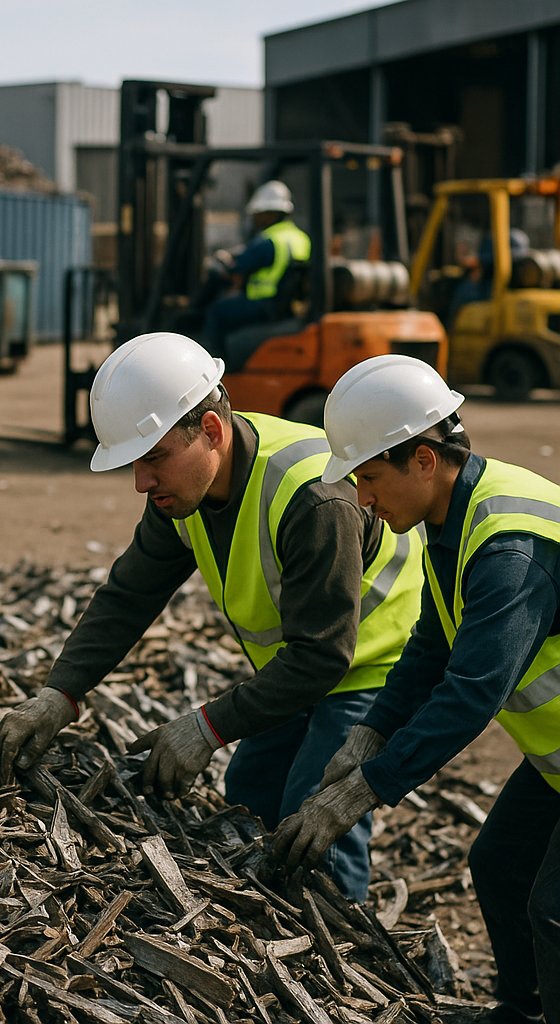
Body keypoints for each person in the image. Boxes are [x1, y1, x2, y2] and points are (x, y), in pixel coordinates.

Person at [0, 332, 422, 901]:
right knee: (251, 788)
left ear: (211, 431)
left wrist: (206, 726)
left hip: (373, 667)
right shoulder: (181, 495)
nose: (141, 483)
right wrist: (61, 693)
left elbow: (324, 653)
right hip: (301, 665)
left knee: (314, 820)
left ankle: (341, 960)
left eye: (153, 460)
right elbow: (129, 594)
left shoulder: (313, 497)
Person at [275, 353, 560, 1024]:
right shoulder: (448, 522)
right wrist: (370, 732)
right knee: (498, 867)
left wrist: (365, 789)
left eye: (370, 478)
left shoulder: (507, 545)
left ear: (425, 460)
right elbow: (434, 645)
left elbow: (471, 692)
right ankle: (521, 1012)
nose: (363, 500)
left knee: (554, 909)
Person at [202, 180, 311, 358]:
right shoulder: (301, 238)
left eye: (258, 213)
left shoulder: (268, 240)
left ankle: (215, 362)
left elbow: (235, 268)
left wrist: (225, 262)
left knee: (217, 312)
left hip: (263, 304)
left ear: (271, 213)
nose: (254, 218)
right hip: (288, 306)